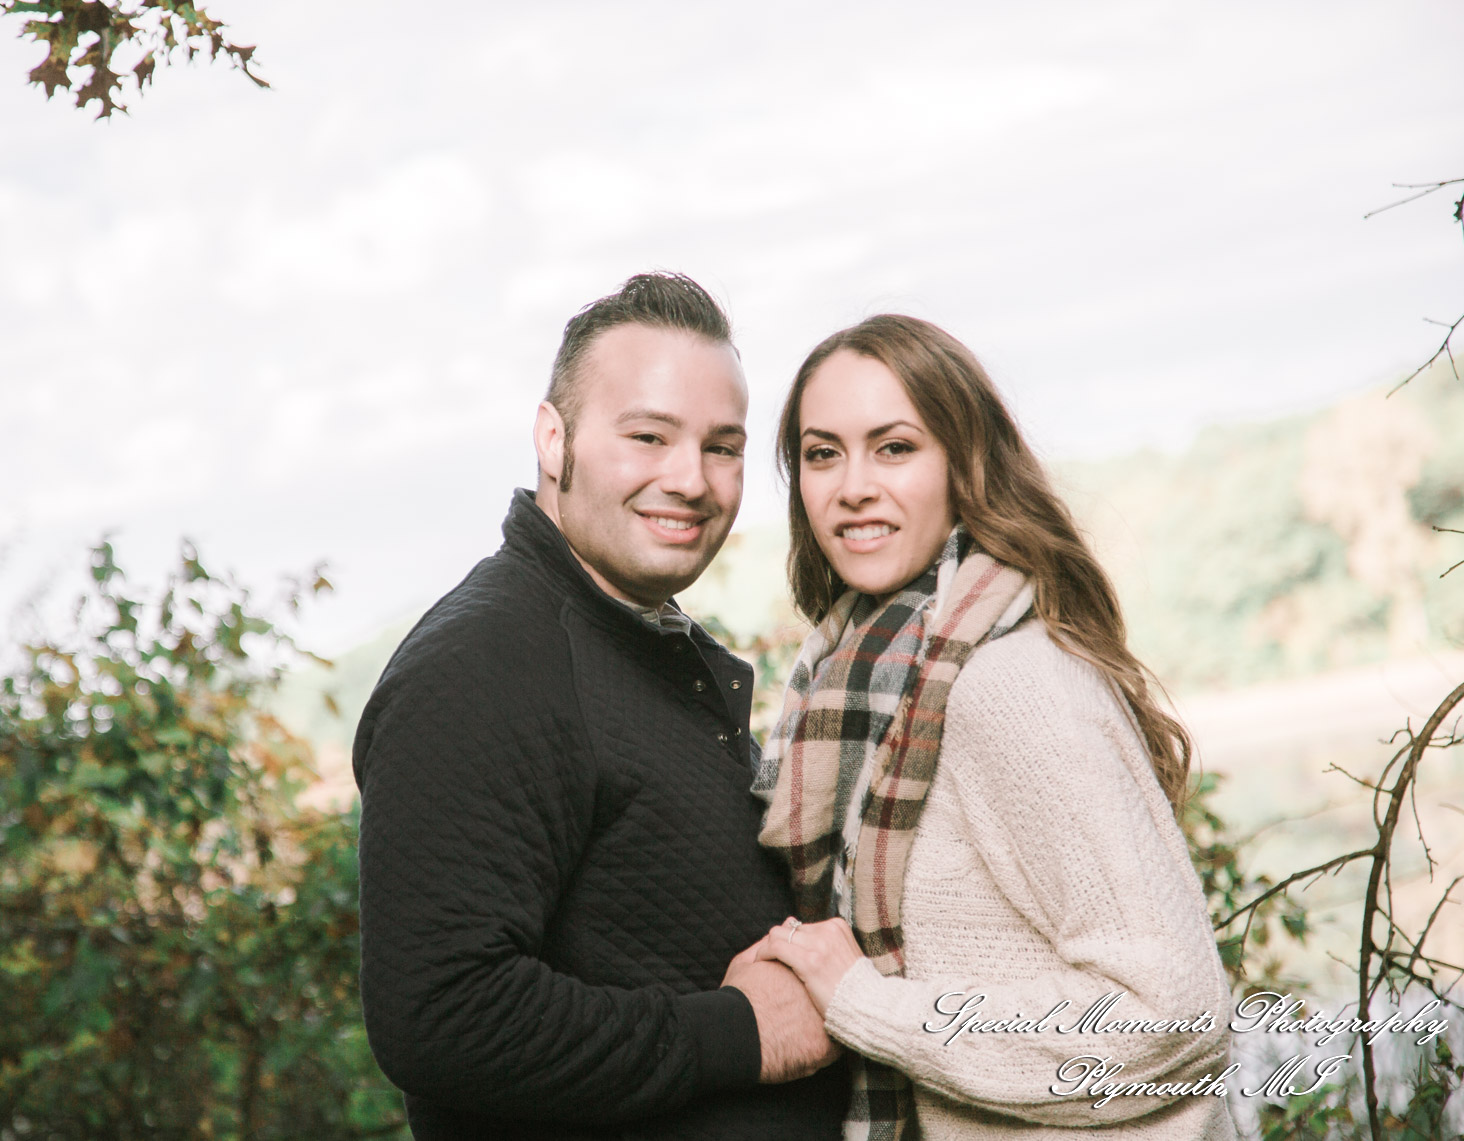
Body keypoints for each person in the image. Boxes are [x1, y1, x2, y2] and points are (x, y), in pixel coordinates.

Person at [352, 273, 847, 1141]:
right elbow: (441, 1015)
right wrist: (738, 1033)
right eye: (648, 435)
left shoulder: (634, 641)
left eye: (722, 446)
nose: (689, 479)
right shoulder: (485, 662)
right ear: (555, 440)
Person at [747, 315, 1235, 1139]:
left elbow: (1171, 1013)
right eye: (823, 453)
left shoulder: (1009, 683)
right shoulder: (854, 678)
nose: (852, 485)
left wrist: (868, 1005)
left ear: (962, 463)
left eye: (895, 447)